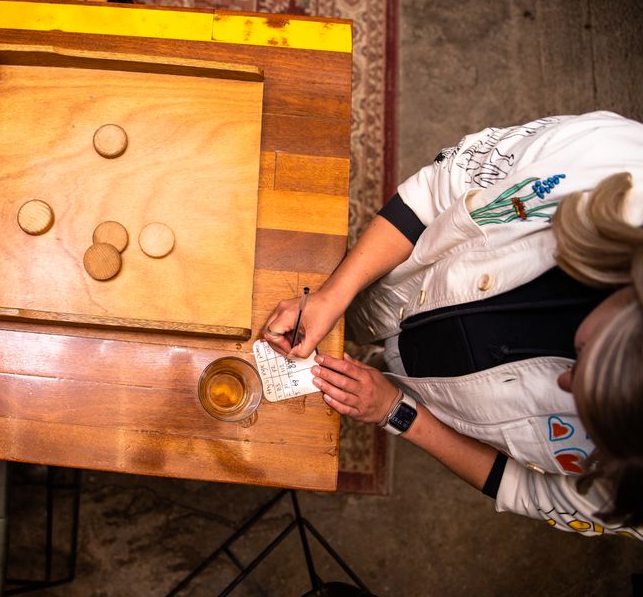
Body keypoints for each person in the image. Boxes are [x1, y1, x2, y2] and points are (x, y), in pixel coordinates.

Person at [262, 111, 643, 539]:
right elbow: (440, 187)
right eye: (585, 358)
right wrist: (336, 294)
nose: (566, 383)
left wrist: (396, 411)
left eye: (589, 421)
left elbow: (528, 491)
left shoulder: (633, 494)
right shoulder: (605, 156)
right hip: (402, 287)